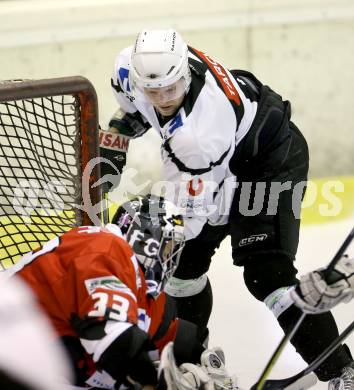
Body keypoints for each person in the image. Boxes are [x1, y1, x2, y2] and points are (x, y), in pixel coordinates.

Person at [100, 28, 354, 388]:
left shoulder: (198, 135)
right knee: (182, 272)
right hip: (223, 158)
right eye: (152, 91)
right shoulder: (128, 69)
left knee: (265, 272)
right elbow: (131, 111)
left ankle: (343, 372)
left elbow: (191, 213)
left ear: (185, 75)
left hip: (269, 161)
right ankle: (191, 365)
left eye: (170, 89)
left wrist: (149, 258)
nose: (162, 98)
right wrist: (114, 140)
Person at [3, 195, 240, 390]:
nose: (170, 259)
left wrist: (206, 361)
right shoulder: (106, 248)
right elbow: (113, 340)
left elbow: (171, 334)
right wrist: (156, 383)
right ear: (145, 238)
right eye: (168, 248)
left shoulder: (140, 288)